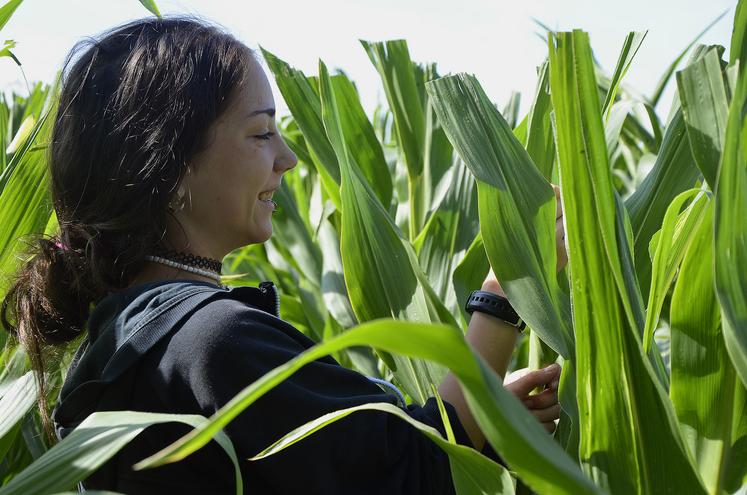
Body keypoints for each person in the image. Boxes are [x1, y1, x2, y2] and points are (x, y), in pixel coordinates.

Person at [0, 16, 563, 494]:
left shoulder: (125, 344)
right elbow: (418, 472)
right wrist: (507, 294)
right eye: (261, 133)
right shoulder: (212, 343)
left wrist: (485, 419)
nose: (288, 158)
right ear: (170, 167)